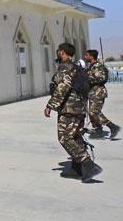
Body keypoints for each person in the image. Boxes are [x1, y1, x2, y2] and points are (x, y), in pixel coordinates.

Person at [44, 43, 102, 182]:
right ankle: (76, 169)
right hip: (79, 108)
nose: (57, 52)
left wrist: (50, 105)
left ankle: (89, 165)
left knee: (65, 138)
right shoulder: (76, 67)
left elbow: (63, 87)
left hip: (69, 109)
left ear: (62, 52)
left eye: (58, 50)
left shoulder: (65, 67)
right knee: (76, 137)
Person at [84, 49, 120, 139]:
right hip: (92, 92)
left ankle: (112, 127)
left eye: (86, 55)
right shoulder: (91, 66)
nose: (85, 57)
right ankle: (98, 130)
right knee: (91, 112)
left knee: (94, 111)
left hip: (98, 92)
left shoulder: (98, 66)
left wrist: (86, 78)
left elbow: (101, 78)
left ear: (91, 56)